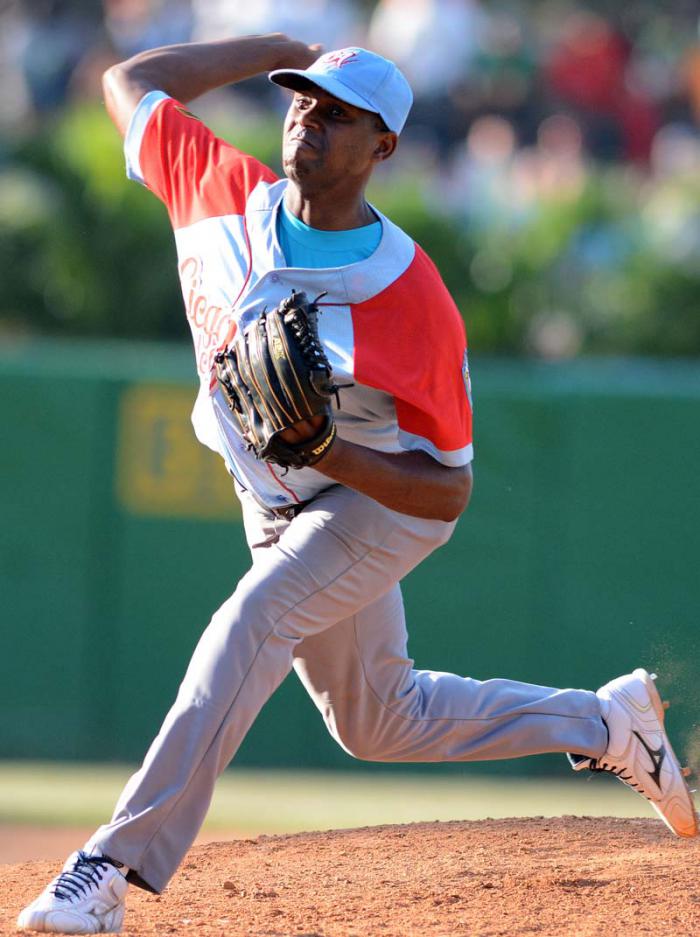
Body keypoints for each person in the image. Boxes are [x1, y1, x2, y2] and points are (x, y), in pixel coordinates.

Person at [18, 33, 697, 935]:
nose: (310, 118)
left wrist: (333, 453)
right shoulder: (217, 188)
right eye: (302, 99)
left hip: (375, 501)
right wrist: (277, 48)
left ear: (383, 146)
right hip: (274, 501)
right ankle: (608, 723)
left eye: (338, 113)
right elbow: (126, 81)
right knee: (379, 720)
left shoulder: (407, 295)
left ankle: (110, 866)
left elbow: (447, 490)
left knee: (252, 619)